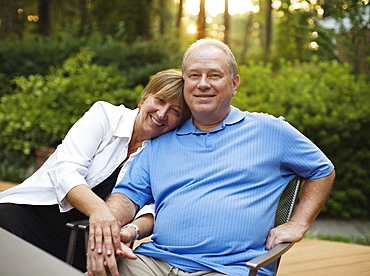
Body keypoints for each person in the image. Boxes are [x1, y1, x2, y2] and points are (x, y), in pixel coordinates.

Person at [87, 38, 336, 276]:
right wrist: (106, 226)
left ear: (234, 83)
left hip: (230, 268)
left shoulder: (269, 131)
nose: (202, 84)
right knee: (103, 269)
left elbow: (322, 169)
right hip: (155, 261)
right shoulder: (159, 143)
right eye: (194, 75)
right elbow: (128, 196)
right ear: (185, 83)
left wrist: (298, 224)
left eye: (214, 75)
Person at [0, 69, 191, 271]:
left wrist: (130, 231)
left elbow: (154, 208)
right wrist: (99, 211)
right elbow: (65, 169)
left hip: (91, 241)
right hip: (35, 214)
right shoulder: (105, 116)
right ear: (144, 99)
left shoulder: (166, 153)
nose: (162, 114)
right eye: (160, 101)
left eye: (175, 111)